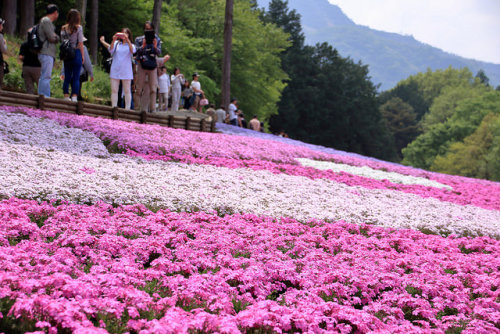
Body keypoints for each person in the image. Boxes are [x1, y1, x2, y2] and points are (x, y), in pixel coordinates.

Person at [134, 21, 161, 112]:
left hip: (152, 65)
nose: (148, 30)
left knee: (153, 88)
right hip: (142, 64)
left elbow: (159, 52)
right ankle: (137, 107)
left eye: (150, 29)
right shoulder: (139, 39)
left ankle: (153, 109)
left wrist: (155, 46)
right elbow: (136, 52)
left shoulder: (157, 39)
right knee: (139, 88)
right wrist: (143, 46)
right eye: (146, 29)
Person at [60, 9, 85, 101]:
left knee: (67, 75)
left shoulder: (63, 28)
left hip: (67, 54)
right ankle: (74, 96)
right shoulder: (78, 28)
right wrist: (82, 55)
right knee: (76, 77)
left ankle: (66, 96)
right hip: (76, 52)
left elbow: (62, 41)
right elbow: (81, 43)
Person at [109, 28, 135, 110]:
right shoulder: (117, 44)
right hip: (115, 68)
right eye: (123, 33)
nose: (124, 34)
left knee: (127, 90)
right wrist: (113, 40)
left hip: (126, 70)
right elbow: (110, 50)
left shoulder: (131, 45)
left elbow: (132, 51)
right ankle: (114, 106)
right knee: (114, 89)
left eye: (126, 33)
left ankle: (127, 108)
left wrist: (127, 40)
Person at [38, 4, 60, 97]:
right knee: (46, 76)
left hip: (46, 52)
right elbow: (51, 37)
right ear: (55, 13)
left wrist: (55, 36)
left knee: (45, 75)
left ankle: (43, 95)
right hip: (46, 52)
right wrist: (57, 37)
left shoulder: (45, 21)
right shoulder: (46, 21)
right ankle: (44, 96)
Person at [0, 18, 7, 90]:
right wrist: (4, 43)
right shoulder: (0, 36)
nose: (2, 27)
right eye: (2, 25)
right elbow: (4, 50)